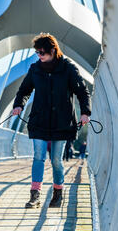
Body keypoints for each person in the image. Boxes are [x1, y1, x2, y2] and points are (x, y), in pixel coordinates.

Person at [12, 33, 91, 209]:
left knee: (56, 159)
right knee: (38, 157)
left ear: (53, 51)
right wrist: (18, 105)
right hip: (39, 119)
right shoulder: (35, 69)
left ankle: (57, 193)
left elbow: (82, 91)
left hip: (61, 121)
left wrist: (85, 112)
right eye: (37, 52)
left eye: (42, 52)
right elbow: (24, 90)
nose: (39, 55)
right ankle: (35, 195)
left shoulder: (68, 68)